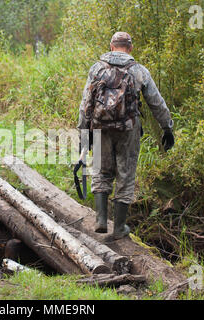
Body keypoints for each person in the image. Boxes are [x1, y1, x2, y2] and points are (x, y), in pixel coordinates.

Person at [77, 32, 175, 240]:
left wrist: (83, 133)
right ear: (130, 48)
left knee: (101, 172)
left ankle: (101, 220)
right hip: (128, 129)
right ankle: (119, 227)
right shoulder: (138, 71)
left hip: (100, 127)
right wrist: (167, 128)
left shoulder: (96, 69)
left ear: (111, 46)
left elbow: (86, 104)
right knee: (126, 174)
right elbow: (157, 103)